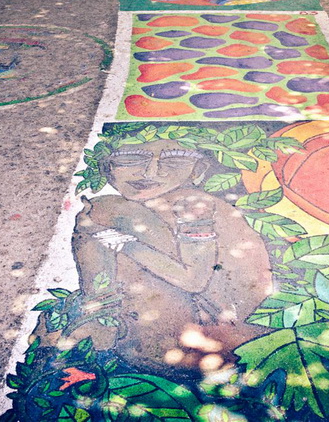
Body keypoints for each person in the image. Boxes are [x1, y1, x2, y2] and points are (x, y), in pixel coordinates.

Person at [31, 129, 274, 374]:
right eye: (131, 159)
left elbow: (194, 280)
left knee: (107, 211)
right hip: (153, 337)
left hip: (203, 337)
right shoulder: (120, 209)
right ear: (107, 168)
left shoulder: (191, 204)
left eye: (175, 159)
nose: (150, 172)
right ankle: (102, 326)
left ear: (197, 170)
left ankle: (105, 330)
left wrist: (122, 242)